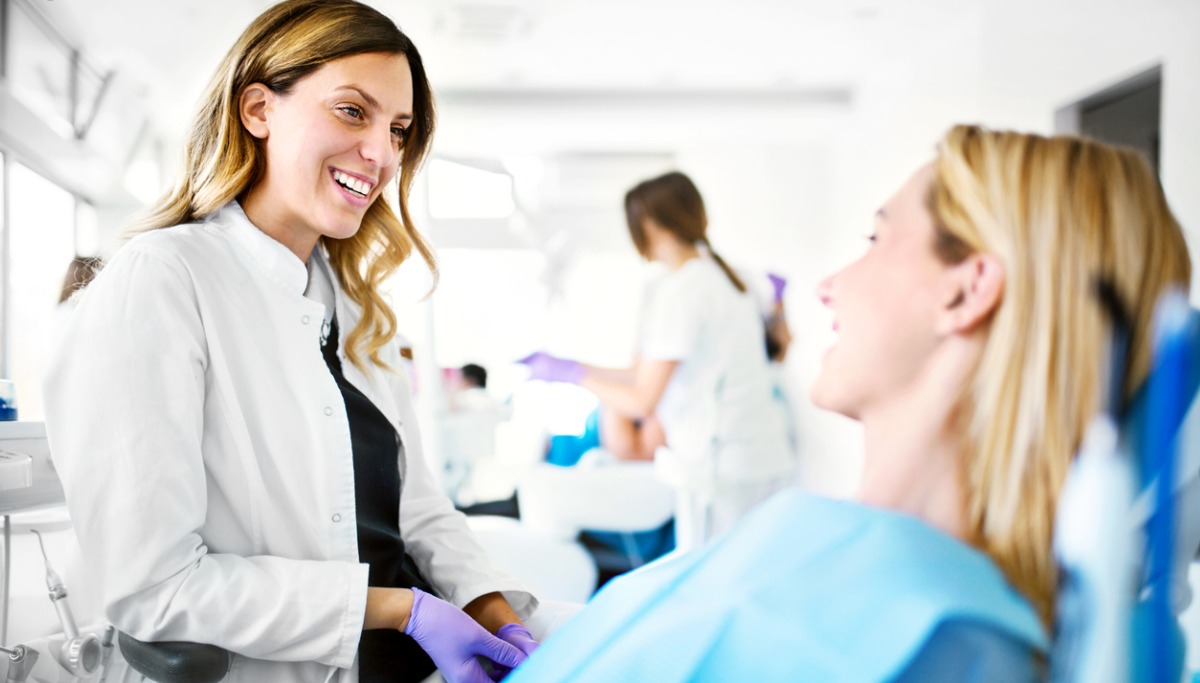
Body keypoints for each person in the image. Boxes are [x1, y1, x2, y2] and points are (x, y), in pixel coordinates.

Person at [505, 125, 1193, 681]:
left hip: (721, 468)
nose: (830, 284)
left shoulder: (924, 634)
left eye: (877, 238)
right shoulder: (837, 556)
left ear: (966, 289)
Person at [43, 2, 541, 681]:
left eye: (399, 130)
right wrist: (402, 609)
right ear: (257, 109)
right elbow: (150, 586)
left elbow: (420, 507)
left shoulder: (359, 306)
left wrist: (488, 606)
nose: (382, 154)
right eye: (351, 111)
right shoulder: (163, 280)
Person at [520, 171, 797, 543]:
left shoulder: (681, 291)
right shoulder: (731, 277)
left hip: (722, 469)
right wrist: (573, 366)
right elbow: (642, 372)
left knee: (713, 582)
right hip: (761, 456)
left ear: (647, 224)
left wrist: (573, 377)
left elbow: (641, 400)